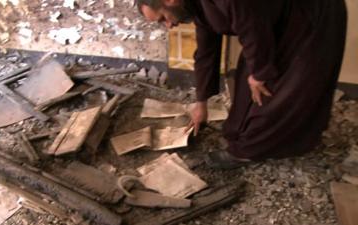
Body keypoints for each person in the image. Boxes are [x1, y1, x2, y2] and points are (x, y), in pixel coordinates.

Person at [136, 0, 347, 168]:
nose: (169, 25)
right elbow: (206, 53)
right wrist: (201, 102)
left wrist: (261, 72)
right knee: (249, 81)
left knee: (282, 88)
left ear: (170, 0)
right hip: (272, 24)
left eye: (163, 18)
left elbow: (252, 23)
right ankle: (241, 135)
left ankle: (253, 150)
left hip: (311, 16)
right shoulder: (195, 5)